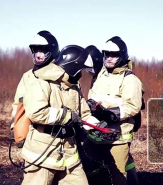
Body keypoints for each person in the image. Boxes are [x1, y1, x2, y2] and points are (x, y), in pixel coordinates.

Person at [21, 44, 100, 185]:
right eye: (80, 70)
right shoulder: (42, 82)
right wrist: (65, 116)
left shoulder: (74, 87)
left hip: (69, 154)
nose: (81, 74)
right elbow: (36, 112)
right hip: (43, 154)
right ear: (73, 67)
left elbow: (84, 114)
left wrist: (97, 128)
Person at [83, 37, 143, 185]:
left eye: (113, 55)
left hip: (118, 136)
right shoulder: (100, 76)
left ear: (121, 55)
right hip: (97, 133)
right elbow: (93, 96)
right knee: (90, 165)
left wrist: (112, 114)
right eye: (106, 54)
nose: (109, 58)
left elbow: (133, 106)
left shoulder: (130, 79)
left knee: (117, 174)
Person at [11, 30, 60, 119]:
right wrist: (15, 125)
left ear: (52, 50)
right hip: (32, 130)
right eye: (36, 51)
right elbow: (18, 105)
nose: (38, 55)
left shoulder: (62, 76)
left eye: (42, 51)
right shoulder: (27, 77)